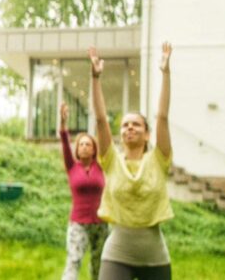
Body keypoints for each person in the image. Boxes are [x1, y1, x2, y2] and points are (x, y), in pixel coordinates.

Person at [92, 43, 174, 280]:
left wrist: (165, 74)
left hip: (155, 256)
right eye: (125, 125)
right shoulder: (111, 160)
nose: (129, 128)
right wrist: (95, 78)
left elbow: (163, 117)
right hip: (117, 253)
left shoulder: (159, 160)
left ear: (147, 134)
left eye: (136, 124)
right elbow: (100, 120)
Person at [57, 101, 107, 280]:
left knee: (98, 263)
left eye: (89, 144)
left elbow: (103, 139)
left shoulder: (100, 166)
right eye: (81, 144)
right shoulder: (72, 166)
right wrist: (63, 122)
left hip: (101, 223)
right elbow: (64, 141)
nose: (85, 147)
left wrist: (99, 121)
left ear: (94, 150)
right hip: (78, 223)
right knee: (74, 261)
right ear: (77, 149)